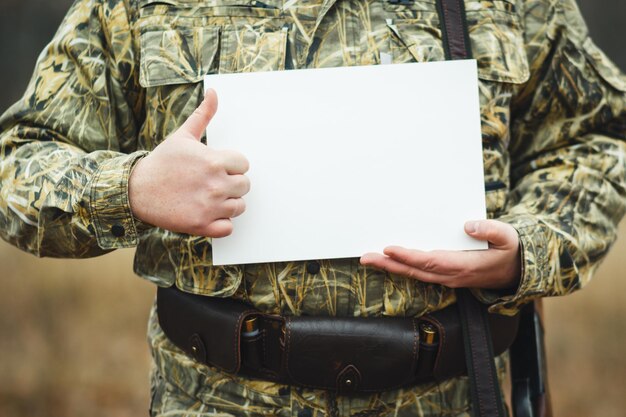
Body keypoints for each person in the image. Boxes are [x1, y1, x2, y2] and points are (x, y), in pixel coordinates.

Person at [0, 0, 625, 416]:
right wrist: (133, 188)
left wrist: (530, 247)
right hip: (216, 400)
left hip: (455, 396)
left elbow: (597, 135)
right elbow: (18, 164)